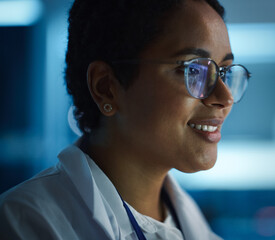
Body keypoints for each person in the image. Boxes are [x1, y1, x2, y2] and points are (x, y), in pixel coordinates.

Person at [0, 0, 250, 239]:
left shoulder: (190, 222)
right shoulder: (24, 222)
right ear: (107, 87)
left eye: (224, 71)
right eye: (193, 70)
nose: (225, 97)